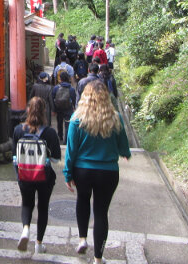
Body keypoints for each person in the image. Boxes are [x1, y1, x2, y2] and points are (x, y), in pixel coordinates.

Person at [63, 80, 131, 264]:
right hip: (108, 172)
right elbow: (123, 145)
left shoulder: (77, 119)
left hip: (83, 171)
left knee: (82, 200)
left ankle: (82, 239)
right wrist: (125, 153)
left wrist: (68, 173)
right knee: (101, 213)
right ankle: (98, 258)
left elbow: (71, 150)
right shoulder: (115, 118)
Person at [13, 97, 61, 254]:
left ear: (28, 110)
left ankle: (26, 229)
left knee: (27, 204)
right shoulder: (50, 133)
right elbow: (55, 159)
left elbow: (14, 158)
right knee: (43, 207)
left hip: (25, 175)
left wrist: (19, 173)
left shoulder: (18, 130)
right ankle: (39, 243)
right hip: (44, 177)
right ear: (44, 112)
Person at [51, 71, 76, 143]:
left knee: (59, 123)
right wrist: (73, 106)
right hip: (68, 108)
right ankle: (66, 140)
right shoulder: (71, 89)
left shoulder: (56, 88)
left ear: (60, 79)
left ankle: (60, 137)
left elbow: (52, 98)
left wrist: (54, 109)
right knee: (67, 124)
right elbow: (73, 99)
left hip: (59, 108)